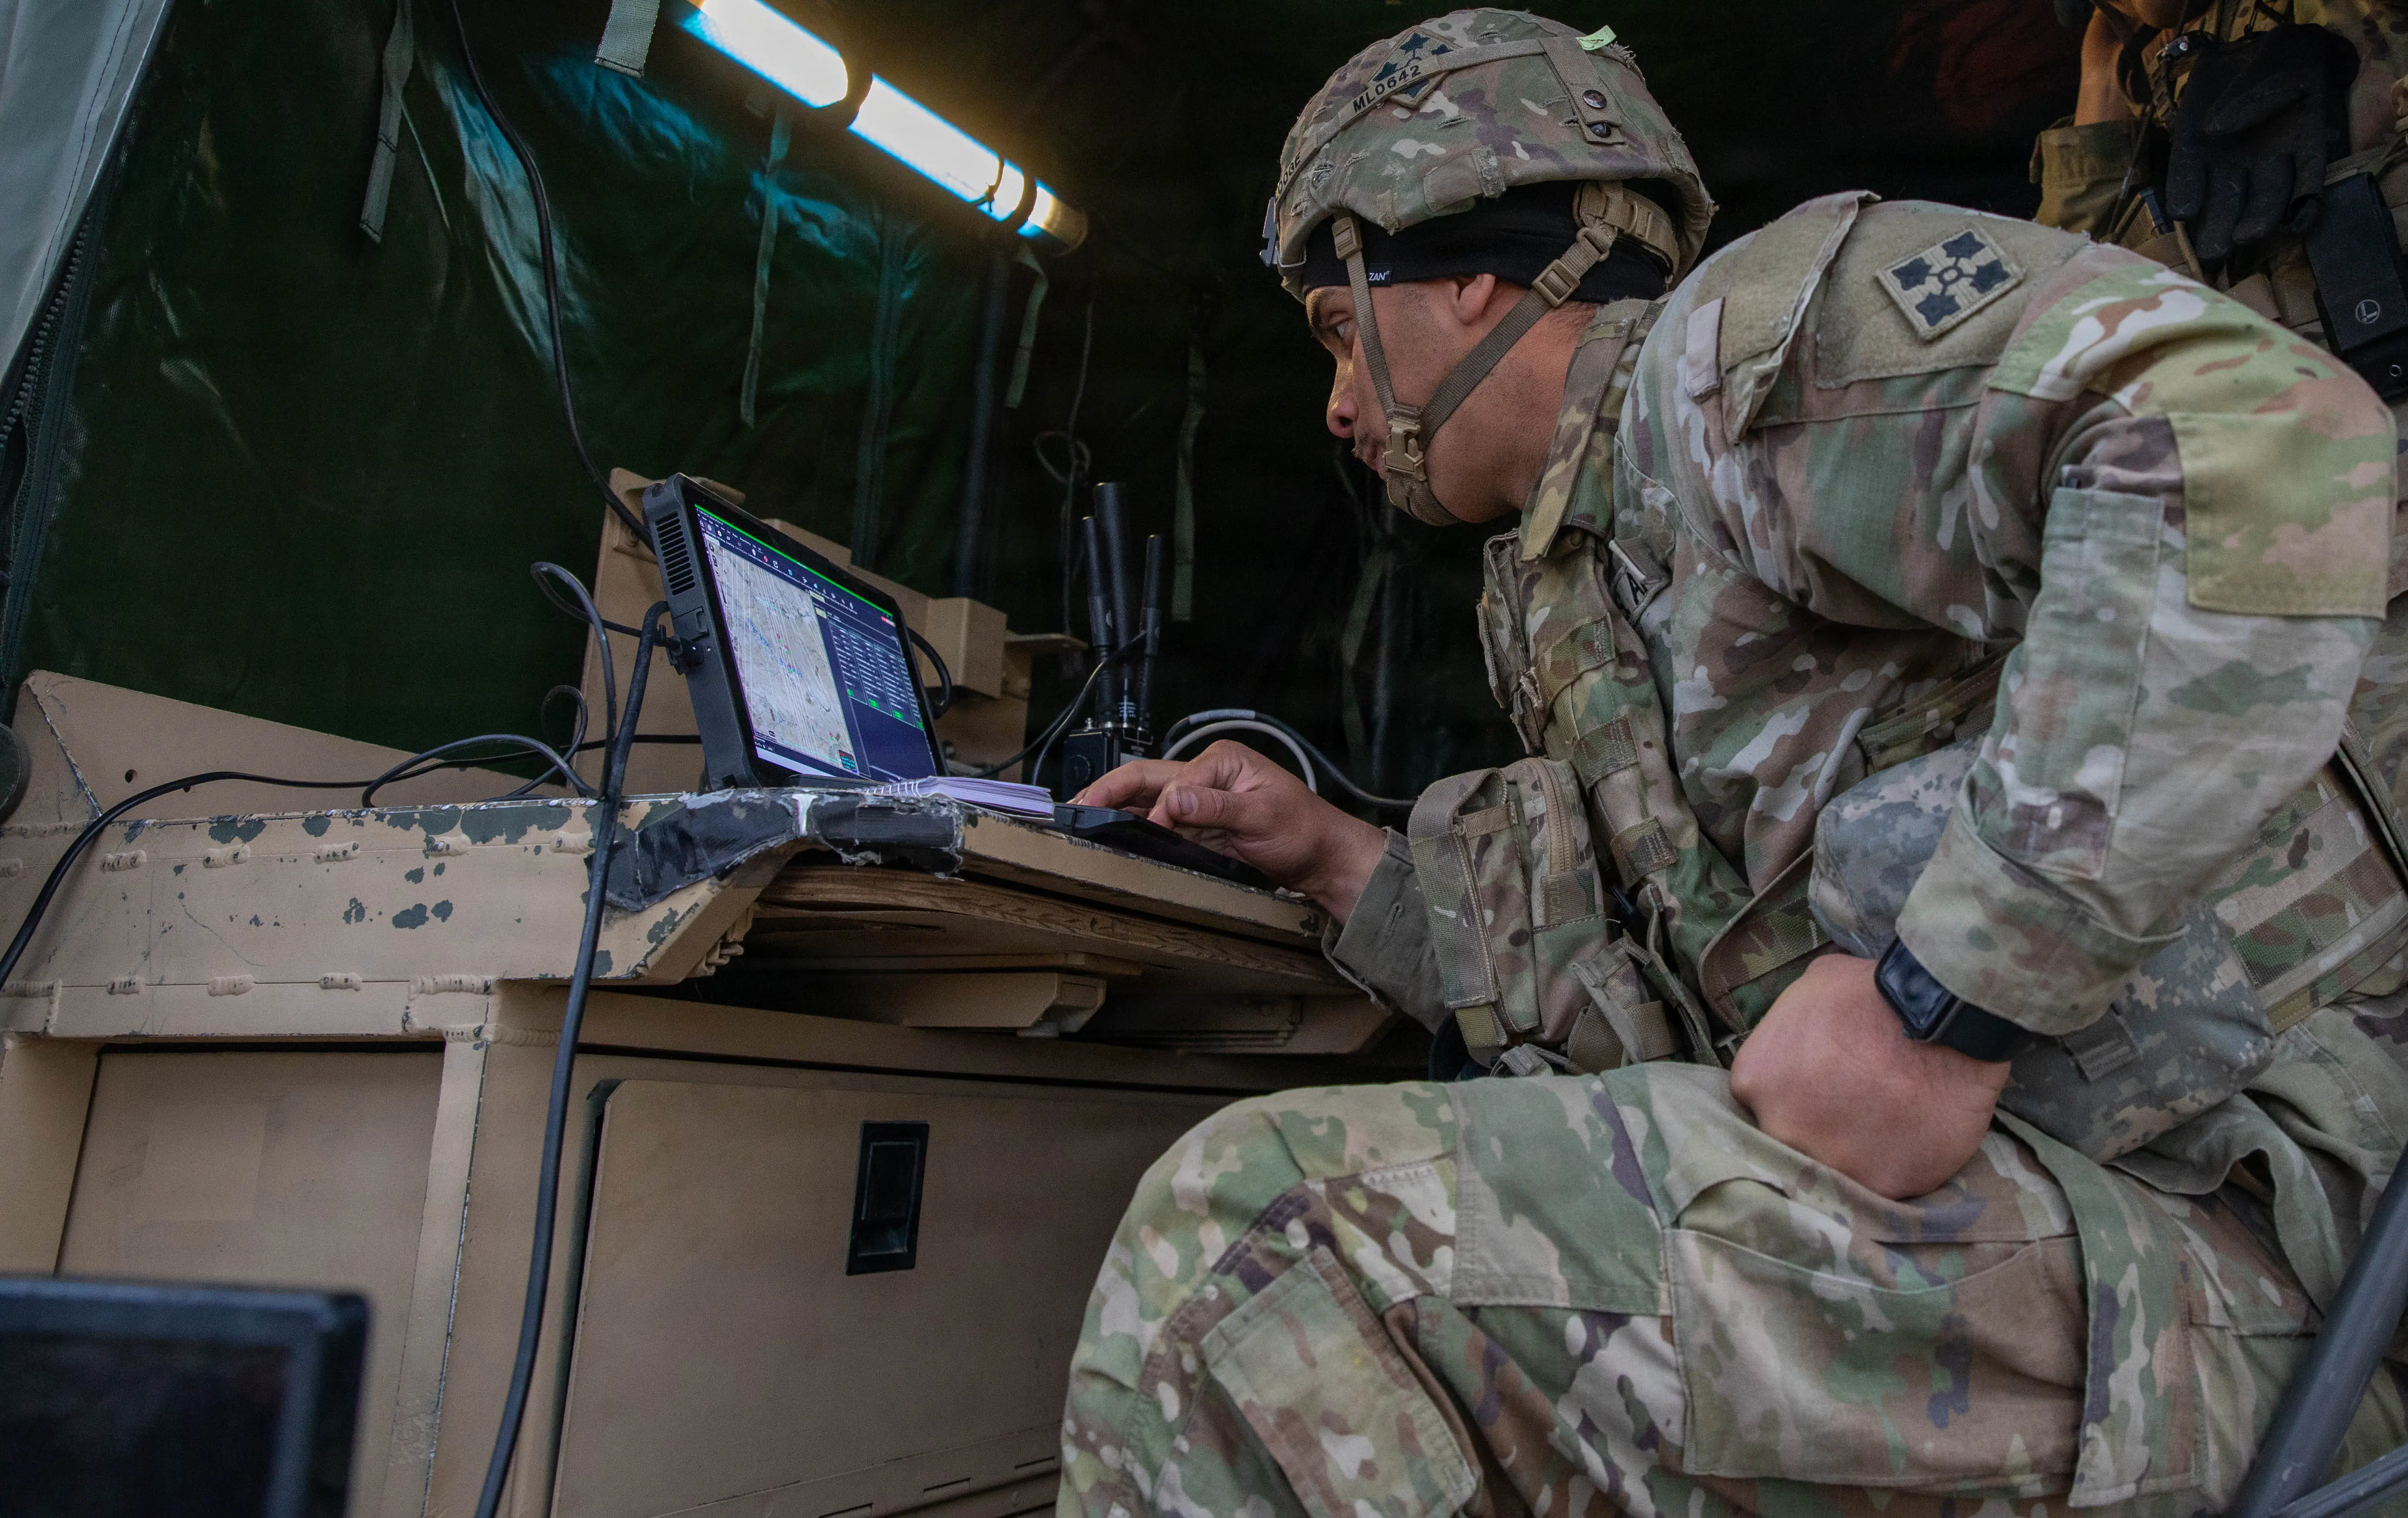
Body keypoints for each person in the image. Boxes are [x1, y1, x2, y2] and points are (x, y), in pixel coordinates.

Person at [1058, 11, 2408, 1518]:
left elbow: (2257, 442)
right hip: (2068, 1258)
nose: (1334, 404)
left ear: (1466, 266)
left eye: (1333, 326)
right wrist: (1322, 852)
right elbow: (1632, 966)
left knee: (1254, 1247)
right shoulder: (1580, 573)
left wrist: (1947, 1000)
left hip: (2260, 1276)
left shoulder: (1724, 362)